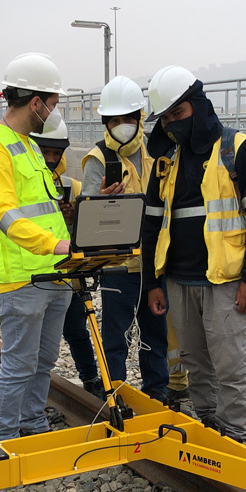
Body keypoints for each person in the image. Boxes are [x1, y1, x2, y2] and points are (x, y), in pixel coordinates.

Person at [141, 66, 246, 444]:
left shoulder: (239, 149)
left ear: (198, 106)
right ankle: (208, 426)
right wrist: (153, 283)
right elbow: (151, 225)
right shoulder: (166, 161)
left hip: (225, 281)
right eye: (165, 119)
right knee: (195, 362)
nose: (172, 125)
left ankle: (235, 436)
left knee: (229, 365)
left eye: (178, 115)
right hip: (178, 280)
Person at [0, 53, 70, 441]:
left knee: (44, 361)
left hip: (54, 272)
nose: (54, 110)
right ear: (36, 102)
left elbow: (44, 208)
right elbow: (6, 216)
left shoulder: (25, 143)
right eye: (53, 103)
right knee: (18, 365)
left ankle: (33, 422)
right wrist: (56, 245)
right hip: (21, 275)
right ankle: (3, 437)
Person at [81, 75, 170, 404]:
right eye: (114, 120)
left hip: (155, 264)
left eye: (128, 119)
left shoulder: (158, 150)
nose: (122, 125)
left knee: (156, 333)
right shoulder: (99, 158)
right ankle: (114, 392)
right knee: (116, 335)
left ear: (140, 118)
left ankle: (157, 391)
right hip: (118, 266)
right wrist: (103, 200)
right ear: (106, 121)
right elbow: (88, 222)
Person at [29, 112, 103, 399]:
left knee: (76, 330)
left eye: (54, 152)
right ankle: (33, 390)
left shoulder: (72, 186)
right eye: (44, 151)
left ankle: (90, 378)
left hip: (67, 276)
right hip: (33, 273)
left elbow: (87, 230)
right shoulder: (26, 183)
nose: (49, 157)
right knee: (34, 343)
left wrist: (74, 218)